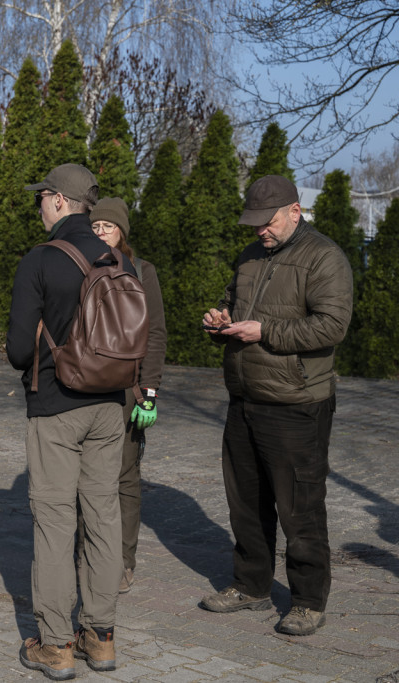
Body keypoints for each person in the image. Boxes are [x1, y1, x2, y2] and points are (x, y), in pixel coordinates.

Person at [200, 175, 352, 636]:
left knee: (299, 508)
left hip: (297, 403)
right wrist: (219, 319)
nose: (259, 231)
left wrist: (265, 332)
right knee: (245, 503)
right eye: (254, 223)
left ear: (294, 211)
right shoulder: (250, 256)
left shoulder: (324, 257)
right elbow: (234, 302)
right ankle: (250, 585)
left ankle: (307, 600)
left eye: (267, 222)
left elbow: (331, 326)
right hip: (244, 396)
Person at [7, 165, 135, 679]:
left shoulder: (39, 261)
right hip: (110, 405)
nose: (38, 205)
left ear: (60, 200)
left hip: (56, 405)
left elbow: (19, 351)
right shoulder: (118, 258)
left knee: (56, 522)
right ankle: (100, 638)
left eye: (41, 198)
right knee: (103, 517)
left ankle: (56, 645)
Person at [83, 197, 167, 594]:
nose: (100, 233)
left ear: (122, 233)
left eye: (108, 227)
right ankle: (89, 554)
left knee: (123, 477)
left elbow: (154, 333)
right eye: (94, 227)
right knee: (87, 476)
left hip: (128, 389)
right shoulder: (82, 266)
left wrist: (149, 392)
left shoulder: (142, 271)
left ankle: (122, 560)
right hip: (86, 387)